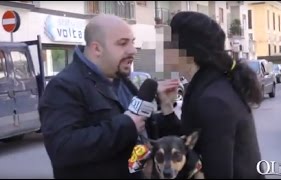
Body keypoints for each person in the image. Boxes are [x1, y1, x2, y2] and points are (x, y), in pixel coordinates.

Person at [38, 14, 180, 179]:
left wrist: (166, 107)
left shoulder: (121, 80)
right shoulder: (64, 86)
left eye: (132, 42)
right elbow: (62, 148)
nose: (133, 50)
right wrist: (126, 125)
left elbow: (143, 133)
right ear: (97, 48)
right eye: (122, 43)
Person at [167, 11, 265, 179]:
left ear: (187, 51)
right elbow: (188, 143)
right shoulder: (208, 87)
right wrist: (166, 107)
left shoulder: (213, 100)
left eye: (168, 43)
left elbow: (217, 171)